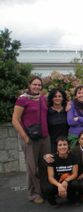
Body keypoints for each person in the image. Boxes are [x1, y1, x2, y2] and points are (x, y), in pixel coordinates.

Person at [12, 76, 50, 204]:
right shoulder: (22, 100)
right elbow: (15, 120)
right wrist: (25, 137)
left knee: (45, 165)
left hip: (44, 137)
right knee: (32, 167)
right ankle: (34, 194)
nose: (37, 87)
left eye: (39, 85)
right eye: (35, 84)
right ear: (29, 85)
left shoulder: (42, 98)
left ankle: (45, 191)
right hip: (29, 138)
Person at [45, 137, 79, 208]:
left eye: (64, 144)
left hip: (68, 181)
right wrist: (59, 185)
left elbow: (75, 174)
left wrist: (66, 181)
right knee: (48, 187)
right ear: (57, 147)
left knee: (75, 184)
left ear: (68, 146)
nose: (62, 147)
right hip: (56, 182)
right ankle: (53, 202)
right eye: (60, 145)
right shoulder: (51, 158)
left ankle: (71, 198)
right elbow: (50, 177)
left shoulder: (73, 156)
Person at [47, 87, 69, 153]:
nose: (57, 98)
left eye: (59, 96)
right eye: (55, 96)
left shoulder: (67, 110)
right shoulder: (47, 111)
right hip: (53, 142)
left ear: (63, 98)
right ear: (51, 98)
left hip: (66, 142)